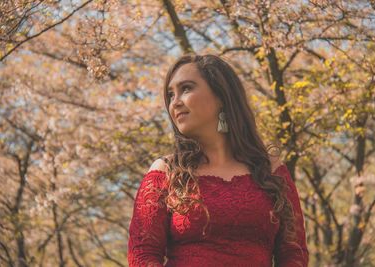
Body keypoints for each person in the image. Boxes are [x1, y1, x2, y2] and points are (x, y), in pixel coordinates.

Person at [128, 54, 309, 266]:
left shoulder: (271, 170)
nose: (175, 102)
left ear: (221, 95)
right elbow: (142, 253)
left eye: (186, 88)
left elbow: (294, 253)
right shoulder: (166, 172)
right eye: (170, 95)